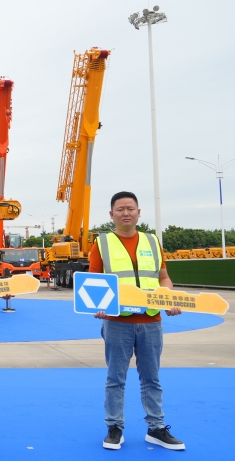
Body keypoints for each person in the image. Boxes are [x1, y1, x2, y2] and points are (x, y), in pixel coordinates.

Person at [90, 191, 185, 451]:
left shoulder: (152, 241)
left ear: (139, 213)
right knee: (115, 378)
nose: (126, 213)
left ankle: (156, 428)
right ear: (111, 214)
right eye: (120, 209)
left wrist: (168, 298)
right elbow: (94, 281)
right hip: (117, 322)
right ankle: (114, 427)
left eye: (130, 208)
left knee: (152, 378)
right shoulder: (102, 243)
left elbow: (163, 277)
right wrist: (98, 306)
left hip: (151, 321)